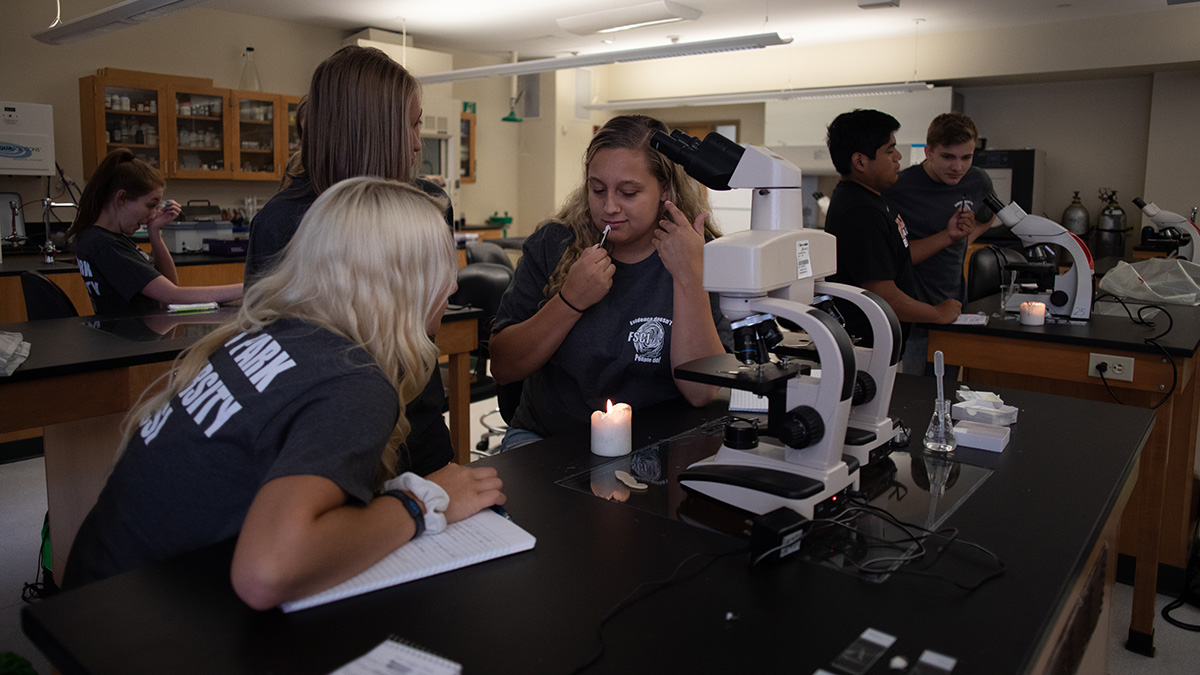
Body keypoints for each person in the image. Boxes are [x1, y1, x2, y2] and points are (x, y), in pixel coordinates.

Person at [63, 178, 506, 611]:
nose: (451, 286)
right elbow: (266, 573)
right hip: (139, 629)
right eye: (442, 266)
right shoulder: (353, 378)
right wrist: (421, 502)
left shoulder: (272, 334)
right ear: (399, 281)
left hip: (91, 597)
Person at [244, 45, 455, 472]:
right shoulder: (283, 222)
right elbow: (275, 348)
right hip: (330, 440)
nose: (417, 144)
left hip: (419, 425)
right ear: (371, 130)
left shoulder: (427, 206)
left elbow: (429, 323)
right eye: (410, 127)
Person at [489, 115, 731, 450]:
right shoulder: (554, 243)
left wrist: (688, 276)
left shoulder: (698, 252)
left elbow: (702, 392)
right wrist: (570, 301)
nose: (609, 207)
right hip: (548, 441)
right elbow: (503, 367)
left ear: (664, 190)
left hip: (659, 445)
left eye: (628, 192)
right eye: (597, 189)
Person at [823, 109, 962, 364]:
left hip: (882, 343)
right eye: (889, 150)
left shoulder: (876, 199)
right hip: (867, 350)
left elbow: (898, 257)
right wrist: (937, 313)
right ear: (860, 162)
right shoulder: (860, 211)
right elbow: (884, 296)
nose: (898, 157)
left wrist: (948, 236)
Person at [67, 149, 243, 314]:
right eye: (150, 205)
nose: (153, 214)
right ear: (121, 198)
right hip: (131, 340)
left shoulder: (111, 238)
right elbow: (172, 295)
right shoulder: (104, 244)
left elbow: (169, 284)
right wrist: (249, 287)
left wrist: (154, 232)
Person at [884, 113, 995, 374]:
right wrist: (949, 236)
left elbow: (990, 216)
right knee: (914, 393)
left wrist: (967, 238)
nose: (957, 167)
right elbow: (894, 258)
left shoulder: (978, 180)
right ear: (929, 151)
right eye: (948, 157)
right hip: (913, 311)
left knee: (948, 389)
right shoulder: (899, 187)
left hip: (955, 304)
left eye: (966, 157)